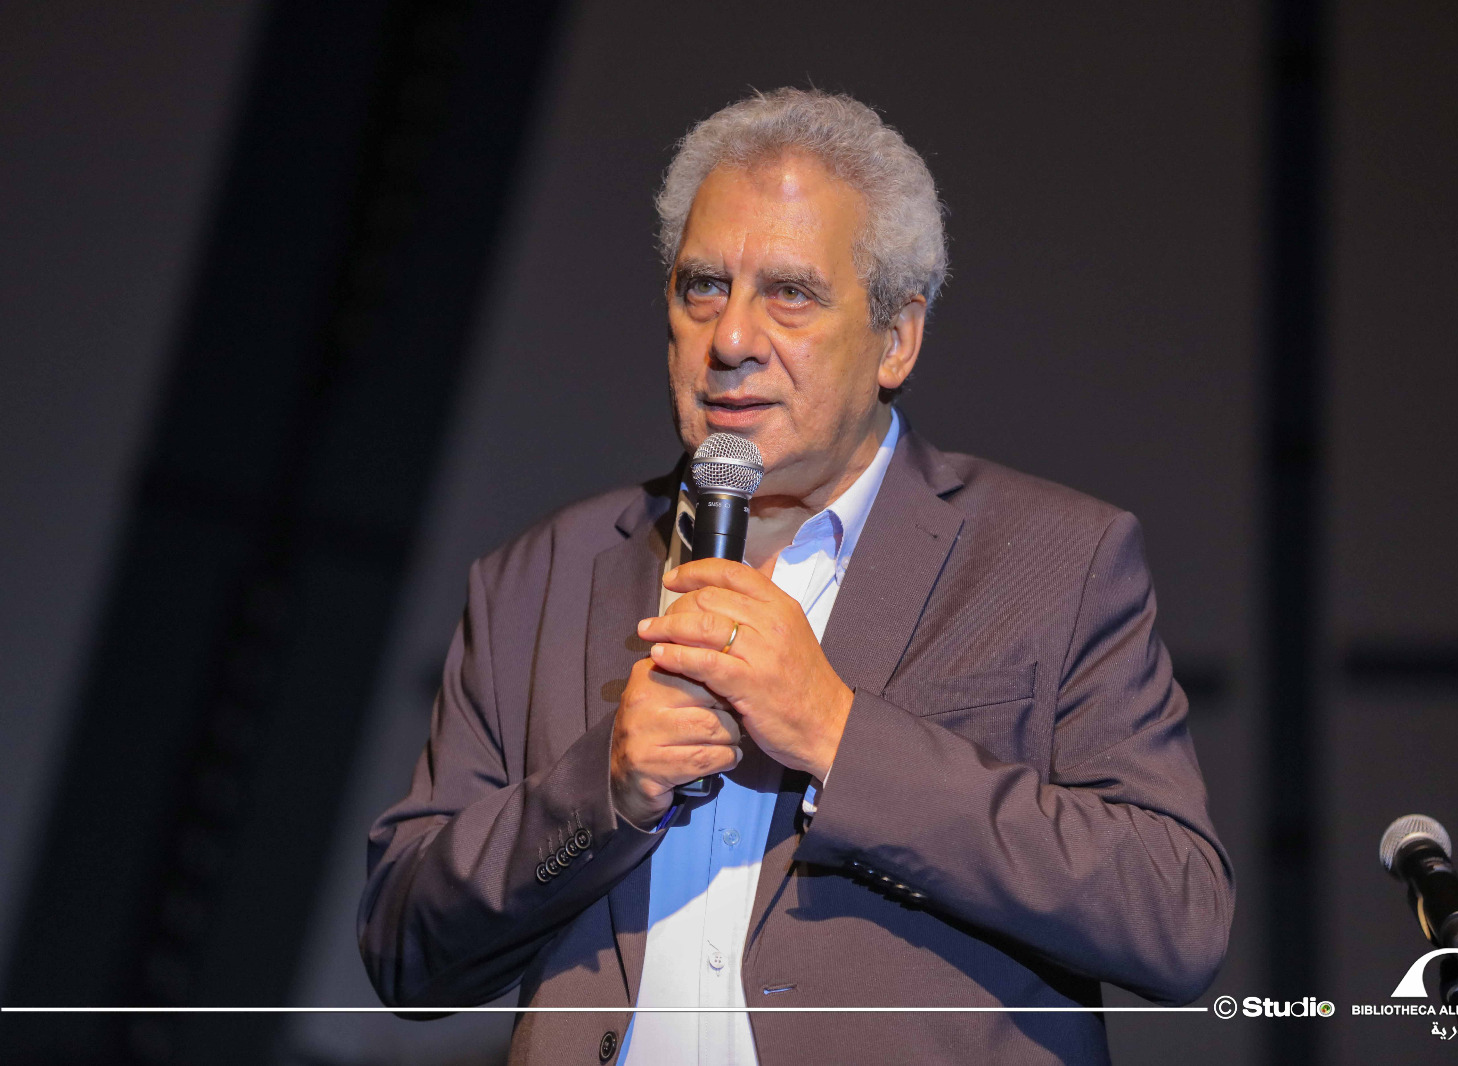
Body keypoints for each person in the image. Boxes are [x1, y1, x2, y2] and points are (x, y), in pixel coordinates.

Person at [359, 88, 1233, 1066]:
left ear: (897, 338)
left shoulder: (1054, 559)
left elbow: (1177, 915)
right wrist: (600, 789)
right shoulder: (539, 576)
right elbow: (404, 951)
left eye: (790, 294)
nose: (730, 339)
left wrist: (838, 733)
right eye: (703, 286)